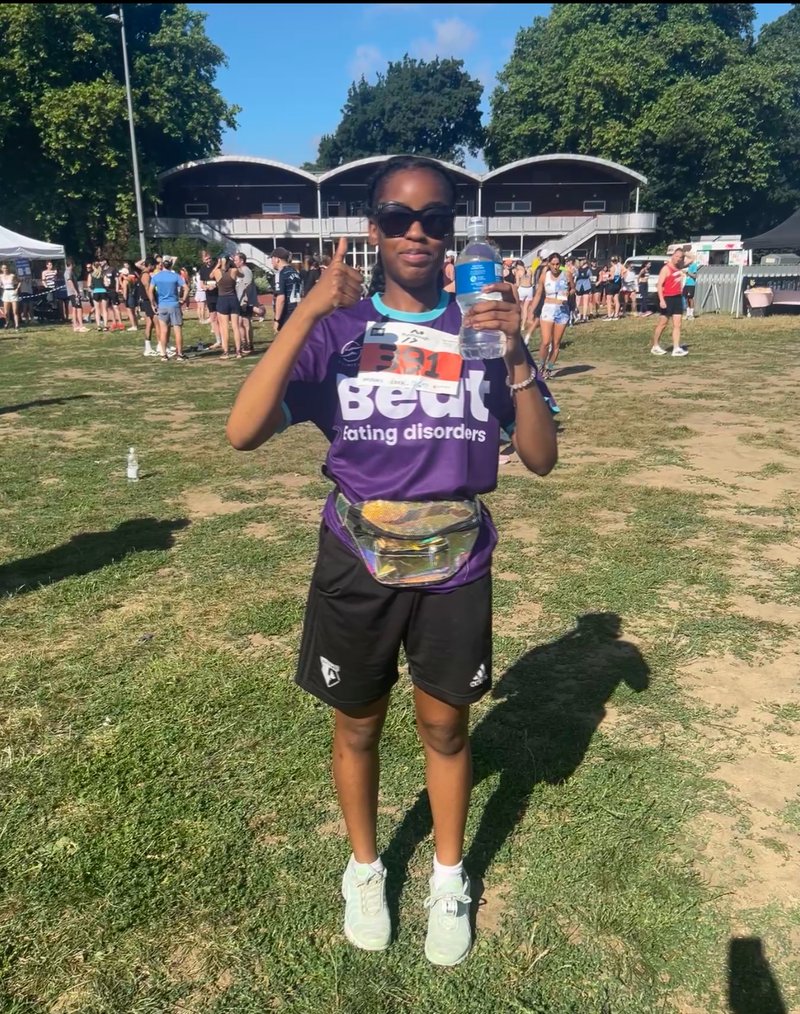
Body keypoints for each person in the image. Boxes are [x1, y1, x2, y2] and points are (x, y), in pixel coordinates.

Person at [225, 155, 558, 967]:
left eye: (435, 219)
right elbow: (242, 429)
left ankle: (449, 879)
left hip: (456, 562)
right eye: (399, 218)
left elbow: (543, 458)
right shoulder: (339, 332)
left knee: (445, 725)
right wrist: (306, 312)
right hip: (357, 560)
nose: (417, 232)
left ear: (450, 233)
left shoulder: (481, 326)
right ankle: (365, 870)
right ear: (371, 230)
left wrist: (515, 356)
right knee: (359, 724)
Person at [534, 252, 573, 378]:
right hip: (548, 308)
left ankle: (549, 369)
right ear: (549, 264)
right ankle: (541, 366)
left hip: (562, 309)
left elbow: (573, 288)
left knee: (556, 343)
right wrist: (531, 310)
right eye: (553, 264)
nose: (555, 267)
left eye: (558, 264)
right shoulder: (545, 276)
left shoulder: (566, 274)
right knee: (545, 341)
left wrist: (569, 293)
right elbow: (539, 293)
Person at [150, 256, 188, 361]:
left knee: (163, 331)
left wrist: (153, 303)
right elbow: (186, 287)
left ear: (162, 264)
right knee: (177, 330)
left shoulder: (156, 277)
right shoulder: (175, 276)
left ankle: (163, 354)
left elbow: (150, 290)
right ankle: (179, 354)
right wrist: (183, 299)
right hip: (174, 304)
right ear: (171, 264)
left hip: (162, 305)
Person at [651, 248, 688, 357]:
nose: (678, 259)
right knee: (663, 323)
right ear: (672, 256)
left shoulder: (679, 267)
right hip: (667, 298)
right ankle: (655, 346)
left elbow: (693, 258)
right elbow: (659, 285)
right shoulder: (666, 269)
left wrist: (685, 250)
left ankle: (676, 348)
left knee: (678, 324)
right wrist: (661, 300)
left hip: (677, 297)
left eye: (680, 257)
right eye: (676, 256)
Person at [215, 257, 242, 359]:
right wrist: (234, 265)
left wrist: (217, 265)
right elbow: (242, 274)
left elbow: (210, 275)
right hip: (233, 299)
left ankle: (226, 352)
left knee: (224, 328)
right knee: (236, 327)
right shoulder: (234, 271)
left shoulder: (217, 272)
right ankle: (238, 351)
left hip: (222, 299)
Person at [271, 247, 303, 334]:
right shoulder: (295, 273)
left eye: (272, 258)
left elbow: (281, 298)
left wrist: (277, 320)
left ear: (277, 259)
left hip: (286, 314)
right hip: (297, 312)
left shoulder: (281, 274)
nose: (271, 261)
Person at [135, 257, 158, 356]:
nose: (155, 267)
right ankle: (160, 346)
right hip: (148, 301)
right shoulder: (145, 275)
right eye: (154, 266)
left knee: (149, 324)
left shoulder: (144, 273)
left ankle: (148, 348)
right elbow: (148, 289)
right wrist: (153, 303)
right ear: (150, 265)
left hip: (147, 301)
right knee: (157, 324)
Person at [234, 252, 255, 353]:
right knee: (240, 322)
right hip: (239, 300)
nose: (235, 262)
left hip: (245, 300)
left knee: (245, 323)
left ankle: (249, 344)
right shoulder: (239, 271)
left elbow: (248, 286)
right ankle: (244, 343)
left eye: (236, 260)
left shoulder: (246, 271)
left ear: (242, 261)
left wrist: (246, 300)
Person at [64, 259, 87, 333]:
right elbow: (69, 281)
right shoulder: (68, 272)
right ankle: (81, 325)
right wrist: (75, 292)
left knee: (74, 308)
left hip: (72, 293)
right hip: (73, 293)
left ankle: (75, 325)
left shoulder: (70, 272)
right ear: (71, 265)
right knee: (79, 308)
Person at [1, 263, 21, 330]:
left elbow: (19, 282)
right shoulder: (0, 276)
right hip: (6, 292)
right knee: (6, 312)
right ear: (1, 269)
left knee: (15, 311)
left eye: (6, 268)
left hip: (12, 292)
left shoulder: (12, 275)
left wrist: (17, 289)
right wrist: (2, 286)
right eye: (3, 268)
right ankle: (7, 323)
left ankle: (17, 325)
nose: (5, 269)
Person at [574, 256, 593, 322]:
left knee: (581, 302)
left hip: (582, 286)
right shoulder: (586, 270)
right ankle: (580, 315)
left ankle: (583, 316)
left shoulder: (585, 269)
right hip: (583, 286)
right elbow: (591, 278)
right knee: (580, 302)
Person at [682, 247, 699, 319]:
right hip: (686, 284)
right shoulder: (688, 266)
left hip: (691, 284)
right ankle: (687, 313)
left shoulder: (694, 265)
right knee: (686, 298)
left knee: (690, 298)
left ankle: (691, 314)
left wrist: (688, 272)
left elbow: (695, 276)